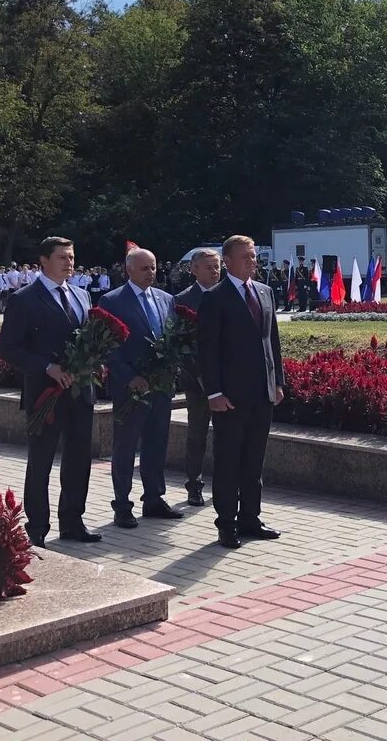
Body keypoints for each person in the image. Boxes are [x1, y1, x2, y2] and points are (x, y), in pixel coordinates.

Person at [0, 236, 101, 549]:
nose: (69, 263)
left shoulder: (82, 295)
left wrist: (94, 363)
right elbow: (8, 348)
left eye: (72, 257)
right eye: (62, 258)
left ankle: (72, 522)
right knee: (41, 461)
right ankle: (37, 527)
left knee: (79, 459)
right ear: (44, 260)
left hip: (80, 393)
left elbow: (87, 339)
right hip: (46, 396)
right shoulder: (24, 298)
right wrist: (47, 368)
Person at [197, 235, 285, 549]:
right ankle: (227, 524)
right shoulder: (215, 297)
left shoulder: (264, 292)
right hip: (230, 397)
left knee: (253, 461)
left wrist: (277, 382)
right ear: (228, 261)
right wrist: (214, 393)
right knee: (229, 461)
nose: (253, 261)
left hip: (262, 393)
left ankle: (251, 519)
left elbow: (271, 342)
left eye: (253, 256)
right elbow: (208, 350)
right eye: (246, 257)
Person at [100, 248, 182, 528]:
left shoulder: (166, 299)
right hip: (130, 387)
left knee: (157, 443)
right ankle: (122, 504)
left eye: (154, 267)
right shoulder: (112, 301)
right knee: (125, 446)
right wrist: (128, 376)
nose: (151, 273)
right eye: (145, 268)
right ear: (129, 270)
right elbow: (107, 346)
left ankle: (154, 499)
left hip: (160, 386)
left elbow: (171, 338)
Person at [175, 247, 223, 506]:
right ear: (193, 269)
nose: (215, 271)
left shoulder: (228, 294)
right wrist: (202, 376)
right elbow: (181, 343)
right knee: (197, 435)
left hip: (227, 378)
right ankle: (194, 485)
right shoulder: (182, 300)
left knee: (226, 434)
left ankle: (224, 483)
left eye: (217, 266)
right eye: (208, 267)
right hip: (197, 382)